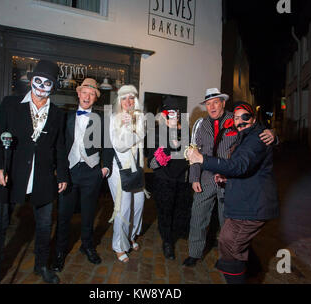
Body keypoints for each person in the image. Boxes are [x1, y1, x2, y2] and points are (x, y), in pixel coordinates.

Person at [0, 60, 68, 284]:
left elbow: (59, 146)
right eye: (37, 80)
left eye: (46, 82)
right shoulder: (10, 104)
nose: (40, 86)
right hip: (7, 176)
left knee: (44, 226)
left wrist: (62, 174)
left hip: (42, 178)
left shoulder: (58, 114)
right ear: (31, 81)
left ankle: (41, 266)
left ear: (53, 86)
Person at [186, 101, 279, 284]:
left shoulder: (249, 130)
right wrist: (195, 177)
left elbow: (247, 156)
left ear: (222, 103)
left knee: (230, 236)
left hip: (241, 192)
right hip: (215, 178)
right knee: (201, 218)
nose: (212, 107)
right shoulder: (201, 124)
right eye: (208, 104)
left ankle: (240, 267)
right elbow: (195, 147)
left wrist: (273, 134)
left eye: (215, 102)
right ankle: (196, 254)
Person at [52, 78, 113, 271]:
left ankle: (87, 246)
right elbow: (58, 145)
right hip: (69, 172)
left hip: (91, 172)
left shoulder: (102, 119)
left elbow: (108, 145)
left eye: (91, 94)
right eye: (84, 93)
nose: (87, 97)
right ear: (78, 94)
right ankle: (60, 251)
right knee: (64, 214)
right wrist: (58, 170)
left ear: (95, 98)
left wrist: (105, 167)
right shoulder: (65, 117)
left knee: (88, 214)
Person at [147, 95, 192, 260]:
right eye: (171, 112)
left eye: (178, 112)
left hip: (182, 180)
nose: (176, 115)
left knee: (180, 211)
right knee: (165, 212)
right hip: (163, 179)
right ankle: (167, 241)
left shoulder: (185, 130)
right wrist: (167, 147)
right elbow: (152, 164)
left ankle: (178, 232)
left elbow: (189, 154)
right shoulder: (156, 132)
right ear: (165, 114)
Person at [107, 85, 147, 263]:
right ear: (119, 101)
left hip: (136, 168)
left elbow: (141, 136)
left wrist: (132, 127)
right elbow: (121, 145)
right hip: (119, 169)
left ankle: (131, 236)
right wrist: (126, 127)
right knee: (123, 208)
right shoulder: (113, 118)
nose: (128, 102)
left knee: (138, 205)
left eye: (131, 98)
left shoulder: (140, 118)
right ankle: (119, 245)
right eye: (124, 98)